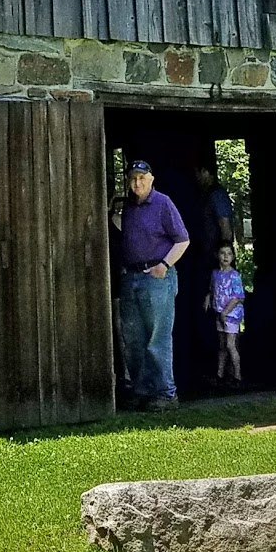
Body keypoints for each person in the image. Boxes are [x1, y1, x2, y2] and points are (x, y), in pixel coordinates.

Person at [110, 159, 190, 410]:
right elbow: (122, 228)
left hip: (157, 277)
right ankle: (142, 391)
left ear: (151, 179)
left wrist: (163, 266)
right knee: (133, 338)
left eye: (142, 178)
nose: (137, 183)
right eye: (133, 178)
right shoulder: (130, 208)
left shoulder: (163, 203)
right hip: (131, 277)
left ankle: (167, 394)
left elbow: (182, 240)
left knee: (158, 338)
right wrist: (111, 208)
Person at [204, 242, 245, 389]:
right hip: (219, 312)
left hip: (231, 314)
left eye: (229, 254)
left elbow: (239, 296)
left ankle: (237, 376)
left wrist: (226, 312)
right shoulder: (215, 274)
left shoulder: (234, 275)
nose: (225, 256)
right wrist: (208, 297)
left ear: (233, 257)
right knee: (222, 345)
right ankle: (219, 375)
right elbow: (212, 288)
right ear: (217, 255)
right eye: (222, 253)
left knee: (230, 345)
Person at [194, 164, 236, 259]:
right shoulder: (207, 195)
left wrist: (224, 255)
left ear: (205, 172)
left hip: (215, 254)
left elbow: (225, 226)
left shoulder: (217, 195)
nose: (197, 177)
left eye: (198, 173)